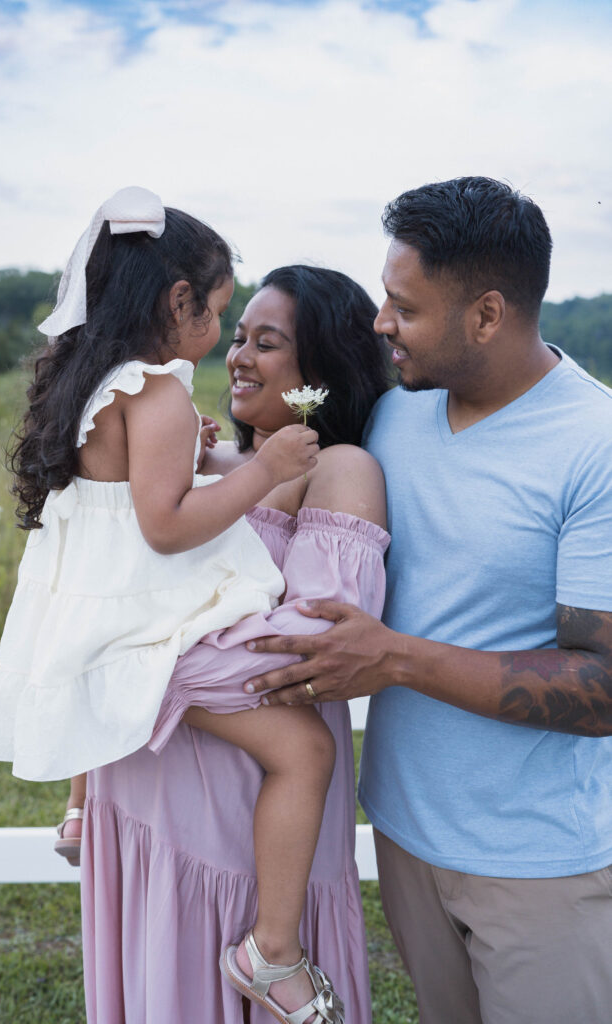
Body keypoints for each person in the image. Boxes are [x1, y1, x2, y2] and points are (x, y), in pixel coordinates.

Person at [243, 177, 612, 1024]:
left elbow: (601, 684)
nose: (381, 324)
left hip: (541, 865)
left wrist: (395, 656)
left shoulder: (591, 446)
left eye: (403, 309)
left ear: (486, 314)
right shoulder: (394, 417)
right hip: (403, 834)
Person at [80, 263, 392, 1024]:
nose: (240, 356)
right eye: (240, 335)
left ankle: (272, 949)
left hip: (239, 808)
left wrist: (147, 660)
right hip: (144, 785)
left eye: (269, 342)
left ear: (320, 367)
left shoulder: (339, 468)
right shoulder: (199, 462)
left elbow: (314, 640)